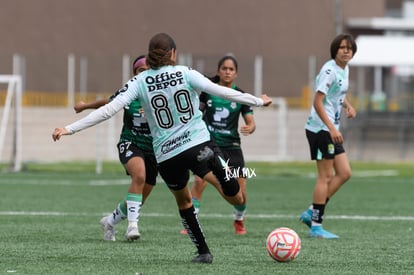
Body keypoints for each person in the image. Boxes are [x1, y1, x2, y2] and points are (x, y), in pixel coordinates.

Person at [52, 32, 272, 263]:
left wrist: (69, 128)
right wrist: (259, 101)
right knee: (236, 198)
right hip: (198, 143)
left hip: (167, 155)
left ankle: (203, 252)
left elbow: (109, 109)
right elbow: (222, 91)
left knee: (184, 202)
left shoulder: (139, 81)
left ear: (150, 55)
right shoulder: (186, 72)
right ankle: (218, 166)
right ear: (173, 53)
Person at [73, 55, 157, 242]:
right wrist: (85, 106)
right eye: (140, 70)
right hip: (130, 143)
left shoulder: (160, 93)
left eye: (148, 69)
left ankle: (109, 222)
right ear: (135, 74)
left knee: (139, 198)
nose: (145, 73)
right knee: (139, 176)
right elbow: (107, 102)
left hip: (153, 149)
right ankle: (133, 227)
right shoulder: (130, 93)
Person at [182, 55, 255, 235]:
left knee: (241, 189)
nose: (227, 72)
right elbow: (197, 113)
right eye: (224, 68)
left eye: (231, 69)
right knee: (200, 181)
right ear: (218, 71)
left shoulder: (240, 95)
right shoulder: (208, 92)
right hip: (210, 144)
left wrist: (250, 127)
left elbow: (251, 121)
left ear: (236, 74)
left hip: (232, 147)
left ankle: (239, 221)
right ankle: (192, 223)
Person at [299, 33, 357, 239]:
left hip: (331, 128)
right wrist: (332, 128)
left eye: (349, 48)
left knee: (344, 173)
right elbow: (317, 102)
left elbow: (338, 92)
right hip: (320, 129)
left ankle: (310, 211)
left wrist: (348, 105)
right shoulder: (329, 70)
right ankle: (316, 225)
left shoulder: (344, 68)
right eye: (342, 47)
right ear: (335, 50)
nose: (346, 50)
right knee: (325, 176)